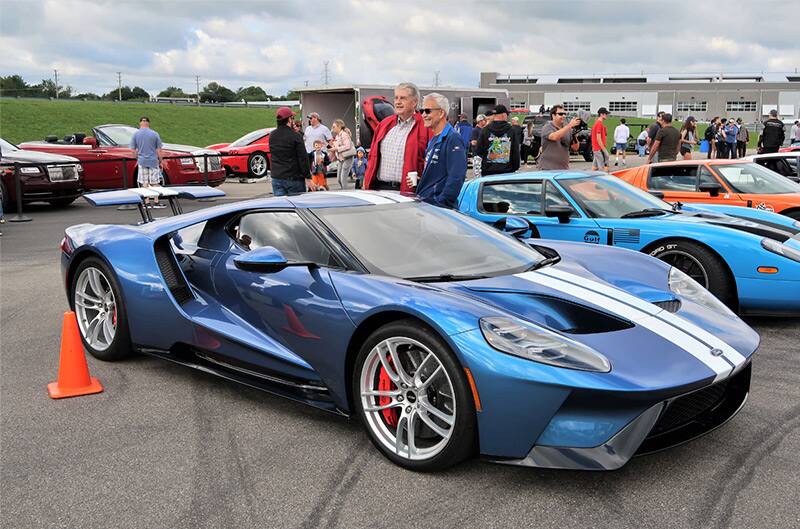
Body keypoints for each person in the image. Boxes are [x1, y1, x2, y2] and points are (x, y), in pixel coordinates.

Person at [363, 82, 432, 192]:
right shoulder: (384, 124)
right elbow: (373, 157)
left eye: (403, 98)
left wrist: (425, 180)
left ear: (414, 102)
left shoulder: (426, 127)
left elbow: (433, 161)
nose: (398, 102)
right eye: (396, 98)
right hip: (380, 189)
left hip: (409, 191)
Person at [415, 93, 467, 208]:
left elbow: (456, 177)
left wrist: (441, 203)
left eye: (427, 111)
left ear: (441, 113)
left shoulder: (453, 138)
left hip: (438, 210)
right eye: (421, 111)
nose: (423, 115)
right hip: (427, 205)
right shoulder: (433, 139)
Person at [269, 106, 314, 196]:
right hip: (294, 179)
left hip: (277, 177)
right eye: (292, 118)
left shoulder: (272, 135)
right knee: (297, 206)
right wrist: (308, 178)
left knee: (282, 208)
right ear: (289, 120)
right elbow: (303, 158)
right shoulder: (296, 136)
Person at [130, 116, 165, 208]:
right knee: (155, 182)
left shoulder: (136, 134)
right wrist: (161, 161)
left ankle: (147, 202)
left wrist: (137, 158)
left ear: (140, 123)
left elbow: (133, 150)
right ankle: (156, 202)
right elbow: (158, 150)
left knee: (144, 182)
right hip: (153, 161)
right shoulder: (154, 134)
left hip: (142, 161)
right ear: (148, 123)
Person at [476, 104, 520, 175]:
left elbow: (478, 150)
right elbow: (515, 151)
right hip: (507, 171)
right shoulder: (511, 131)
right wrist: (515, 167)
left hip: (488, 171)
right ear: (503, 115)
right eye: (507, 114)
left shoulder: (485, 130)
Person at [538, 104, 581, 170]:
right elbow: (554, 137)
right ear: (553, 115)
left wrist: (574, 136)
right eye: (560, 114)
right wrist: (569, 126)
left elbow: (575, 148)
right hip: (547, 168)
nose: (563, 116)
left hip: (564, 169)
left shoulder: (567, 129)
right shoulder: (547, 127)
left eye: (564, 114)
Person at [329, 118, 355, 190]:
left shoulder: (344, 134)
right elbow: (337, 146)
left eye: (334, 127)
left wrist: (336, 148)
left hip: (347, 158)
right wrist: (333, 146)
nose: (332, 128)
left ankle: (346, 194)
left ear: (339, 126)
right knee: (339, 179)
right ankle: (344, 191)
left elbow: (347, 146)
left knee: (343, 179)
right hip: (341, 159)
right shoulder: (337, 136)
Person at [591, 107, 610, 172]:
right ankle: (605, 180)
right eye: (606, 114)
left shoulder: (598, 123)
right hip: (599, 149)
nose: (607, 115)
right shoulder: (599, 124)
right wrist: (604, 150)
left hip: (596, 148)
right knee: (603, 167)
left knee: (595, 167)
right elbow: (598, 138)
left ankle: (591, 180)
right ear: (601, 114)